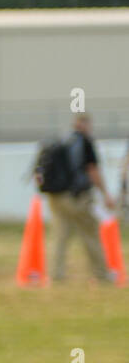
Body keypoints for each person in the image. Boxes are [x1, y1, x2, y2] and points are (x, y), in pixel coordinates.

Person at [41, 113, 114, 283]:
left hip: (55, 196)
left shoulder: (62, 140)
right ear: (86, 124)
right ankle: (101, 275)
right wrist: (105, 194)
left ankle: (55, 276)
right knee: (90, 233)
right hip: (76, 197)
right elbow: (92, 170)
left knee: (60, 235)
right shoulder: (85, 142)